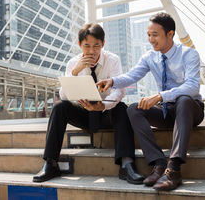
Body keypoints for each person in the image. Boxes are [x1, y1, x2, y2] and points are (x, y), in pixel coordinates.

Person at [97, 12, 204, 191]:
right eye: (148, 35)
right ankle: (159, 163)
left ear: (170, 34)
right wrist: (112, 81)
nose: (150, 39)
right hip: (166, 111)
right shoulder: (149, 57)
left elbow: (193, 86)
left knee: (184, 99)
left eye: (155, 35)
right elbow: (132, 76)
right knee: (133, 109)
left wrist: (161, 96)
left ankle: (174, 169)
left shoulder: (189, 54)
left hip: (190, 111)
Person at [33, 23, 144, 184]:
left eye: (96, 46)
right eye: (87, 46)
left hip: (106, 113)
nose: (91, 51)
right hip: (84, 114)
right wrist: (75, 72)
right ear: (79, 45)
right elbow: (63, 95)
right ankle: (50, 163)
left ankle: (127, 164)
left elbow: (119, 91)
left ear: (103, 44)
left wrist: (103, 105)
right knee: (59, 107)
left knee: (121, 107)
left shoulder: (112, 60)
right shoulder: (73, 63)